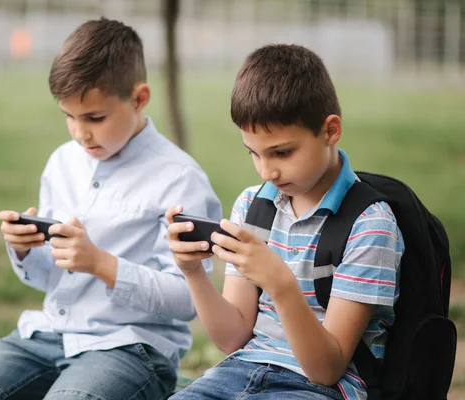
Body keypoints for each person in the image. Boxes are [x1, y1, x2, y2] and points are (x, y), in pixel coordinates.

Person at [0, 17, 221, 400]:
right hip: (45, 337)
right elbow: (52, 279)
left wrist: (102, 264)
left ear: (139, 98)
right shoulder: (62, 163)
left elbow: (188, 300)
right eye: (69, 117)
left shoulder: (180, 179)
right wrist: (25, 249)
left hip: (129, 349)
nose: (80, 132)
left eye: (95, 117)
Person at [166, 44, 404, 400]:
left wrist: (280, 283)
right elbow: (233, 339)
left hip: (320, 388)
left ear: (330, 130)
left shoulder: (370, 224)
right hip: (239, 371)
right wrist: (193, 272)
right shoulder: (253, 205)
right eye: (254, 153)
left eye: (281, 152)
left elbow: (326, 369)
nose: (267, 171)